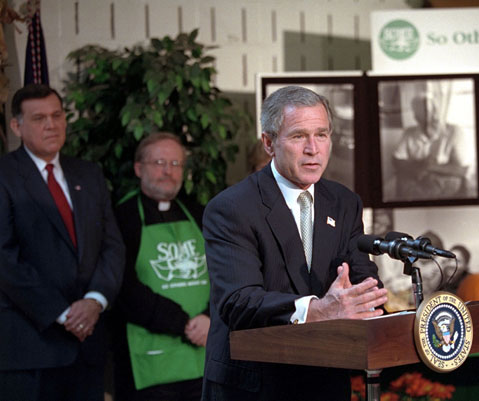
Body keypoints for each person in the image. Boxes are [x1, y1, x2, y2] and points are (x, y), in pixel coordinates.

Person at [201, 86, 387, 401]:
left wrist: (365, 299)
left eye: (322, 135)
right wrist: (316, 309)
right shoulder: (232, 208)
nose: (313, 149)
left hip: (324, 379)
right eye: (299, 136)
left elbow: (361, 280)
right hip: (255, 385)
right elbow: (238, 301)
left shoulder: (344, 202)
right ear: (269, 143)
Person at [0, 84, 125, 401]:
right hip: (30, 347)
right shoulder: (4, 175)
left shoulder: (89, 173)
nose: (51, 125)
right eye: (39, 118)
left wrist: (95, 300)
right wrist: (64, 313)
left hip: (89, 345)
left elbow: (112, 246)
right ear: (16, 126)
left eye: (57, 115)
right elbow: (4, 259)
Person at [111, 133, 210, 401]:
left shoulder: (201, 215)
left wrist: (210, 317)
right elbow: (123, 286)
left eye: (176, 164)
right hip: (149, 365)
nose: (169, 171)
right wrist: (182, 323)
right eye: (159, 163)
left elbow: (226, 274)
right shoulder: (121, 218)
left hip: (205, 356)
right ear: (138, 168)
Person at [391, 93, 474, 201]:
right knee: (402, 184)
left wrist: (430, 167)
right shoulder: (409, 133)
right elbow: (396, 160)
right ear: (416, 117)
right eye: (427, 113)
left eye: (436, 111)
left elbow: (463, 169)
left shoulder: (455, 132)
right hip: (417, 177)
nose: (435, 116)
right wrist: (418, 167)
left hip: (444, 180)